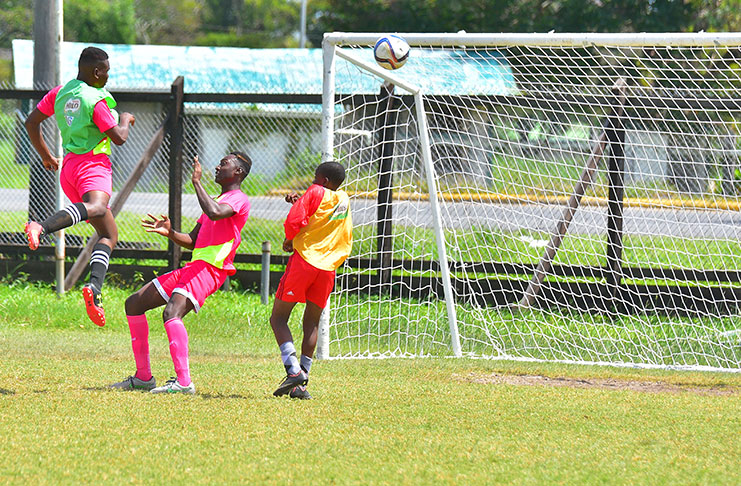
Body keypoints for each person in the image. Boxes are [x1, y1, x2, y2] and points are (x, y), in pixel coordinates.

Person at [109, 153, 252, 394]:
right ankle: (143, 377)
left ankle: (184, 382)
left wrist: (197, 182)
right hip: (194, 267)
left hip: (210, 269)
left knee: (171, 312)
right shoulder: (215, 200)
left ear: (238, 172)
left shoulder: (239, 199)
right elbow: (193, 240)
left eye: (224, 163)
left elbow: (216, 212)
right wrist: (170, 232)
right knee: (134, 303)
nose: (217, 166)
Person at [24, 46, 135, 327]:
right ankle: (42, 227)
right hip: (93, 166)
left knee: (108, 234)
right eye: (107, 71)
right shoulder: (97, 100)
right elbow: (120, 138)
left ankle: (94, 289)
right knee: (97, 207)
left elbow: (31, 122)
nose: (108, 76)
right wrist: (126, 119)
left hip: (69, 169)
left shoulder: (62, 92)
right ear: (97, 72)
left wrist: (46, 155)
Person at [270, 161, 353, 399]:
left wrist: (289, 239)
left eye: (316, 177)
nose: (313, 181)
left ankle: (293, 371)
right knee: (312, 323)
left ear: (324, 181)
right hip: (328, 269)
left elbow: (295, 220)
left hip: (305, 261)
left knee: (278, 318)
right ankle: (300, 385)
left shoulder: (315, 191)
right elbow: (322, 217)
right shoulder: (344, 199)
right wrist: (301, 200)